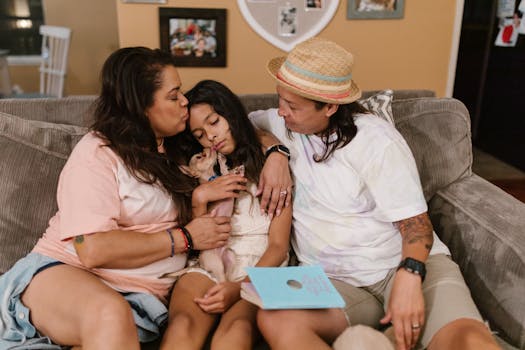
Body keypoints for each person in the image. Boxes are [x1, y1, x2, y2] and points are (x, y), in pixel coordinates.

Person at [0, 47, 290, 349]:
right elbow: (92, 249)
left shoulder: (182, 143)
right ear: (142, 107)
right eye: (173, 95)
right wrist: (186, 238)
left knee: (115, 320)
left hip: (141, 302)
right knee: (109, 314)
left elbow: (243, 127)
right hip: (70, 272)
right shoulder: (99, 152)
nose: (184, 101)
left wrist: (277, 154)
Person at [249, 37, 501, 350]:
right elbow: (242, 126)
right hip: (332, 283)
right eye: (280, 100)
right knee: (275, 319)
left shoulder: (377, 142)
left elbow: (417, 226)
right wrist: (274, 151)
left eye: (293, 106)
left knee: (471, 341)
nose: (282, 112)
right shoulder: (282, 124)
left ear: (329, 106)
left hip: (402, 266)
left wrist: (410, 277)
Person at [161, 79, 291, 349]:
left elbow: (278, 247)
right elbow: (197, 238)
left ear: (230, 113)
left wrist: (241, 287)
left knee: (235, 331)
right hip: (211, 261)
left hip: (260, 268)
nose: (210, 137)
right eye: (199, 134)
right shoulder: (206, 165)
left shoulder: (273, 167)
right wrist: (201, 197)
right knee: (183, 325)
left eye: (214, 122)